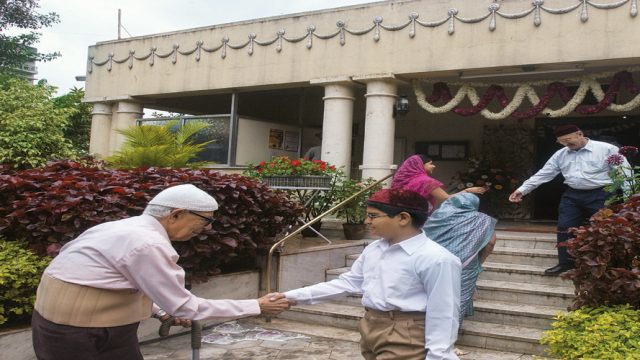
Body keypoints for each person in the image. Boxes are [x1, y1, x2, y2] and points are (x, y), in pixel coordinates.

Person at [31, 184, 292, 360]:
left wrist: (159, 310)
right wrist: (256, 306)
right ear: (176, 214)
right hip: (76, 333)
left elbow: (115, 279)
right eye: (205, 220)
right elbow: (186, 306)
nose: (206, 228)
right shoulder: (147, 243)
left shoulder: (121, 228)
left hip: (102, 328)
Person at [284, 188, 462, 360]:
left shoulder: (437, 258)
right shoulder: (374, 249)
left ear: (403, 218)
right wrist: (290, 297)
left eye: (373, 215)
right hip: (371, 325)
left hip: (406, 333)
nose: (367, 221)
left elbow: (444, 312)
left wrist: (438, 356)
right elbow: (347, 283)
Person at [508, 124, 630, 275]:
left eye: (569, 141)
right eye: (562, 142)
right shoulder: (561, 154)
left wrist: (630, 200)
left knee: (604, 229)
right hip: (573, 195)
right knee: (564, 227)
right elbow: (544, 174)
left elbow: (625, 174)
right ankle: (565, 263)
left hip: (602, 194)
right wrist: (522, 190)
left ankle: (607, 265)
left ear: (580, 134)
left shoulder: (607, 149)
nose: (567, 145)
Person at [423, 193, 497, 324]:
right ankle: (448, 334)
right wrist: (480, 261)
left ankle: (425, 329)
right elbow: (490, 243)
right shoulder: (482, 220)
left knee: (432, 295)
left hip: (434, 261)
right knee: (459, 297)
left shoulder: (438, 216)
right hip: (466, 263)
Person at [392, 154, 487, 214]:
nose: (434, 166)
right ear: (421, 165)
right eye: (430, 163)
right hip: (418, 218)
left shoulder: (408, 181)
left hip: (401, 215)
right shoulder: (426, 181)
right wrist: (468, 190)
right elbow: (446, 198)